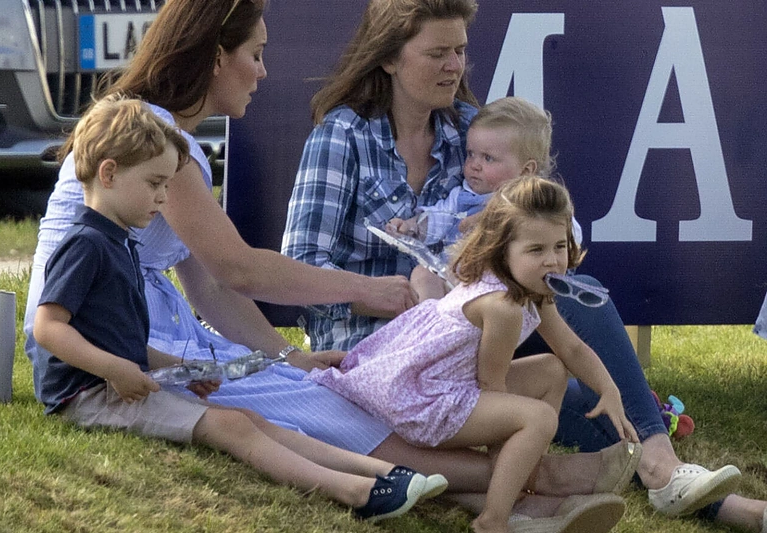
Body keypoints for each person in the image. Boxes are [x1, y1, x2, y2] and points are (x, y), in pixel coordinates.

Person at [23, 2, 645, 532]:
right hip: (111, 339)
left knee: (308, 388)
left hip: (149, 331)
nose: (264, 72)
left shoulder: (158, 137)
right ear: (216, 56)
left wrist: (282, 356)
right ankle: (540, 480)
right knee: (320, 409)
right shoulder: (153, 138)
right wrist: (372, 291)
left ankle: (521, 495)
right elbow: (242, 270)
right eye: (257, 54)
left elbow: (209, 282)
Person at [282, 0, 766, 529]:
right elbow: (300, 265)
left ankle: (664, 467)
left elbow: (539, 227)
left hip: (466, 329)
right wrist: (392, 291)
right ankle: (565, 489)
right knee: (568, 397)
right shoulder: (343, 135)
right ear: (390, 59)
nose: (454, 66)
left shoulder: (473, 128)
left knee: (577, 299)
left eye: (461, 51)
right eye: (438, 53)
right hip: (382, 351)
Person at [31, 93, 444, 522]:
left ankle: (389, 474)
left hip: (112, 381)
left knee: (245, 416)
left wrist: (182, 370)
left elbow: (120, 336)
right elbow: (48, 328)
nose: (162, 198)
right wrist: (113, 370)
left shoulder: (121, 246)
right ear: (109, 174)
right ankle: (361, 494)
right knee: (231, 426)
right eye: (155, 184)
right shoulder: (85, 244)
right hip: (87, 396)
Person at [310, 176, 637, 533]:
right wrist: (518, 430)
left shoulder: (528, 289)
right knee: (538, 418)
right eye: (536, 250)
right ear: (503, 249)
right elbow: (493, 387)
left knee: (552, 369)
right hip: (425, 402)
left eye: (560, 247)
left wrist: (610, 390)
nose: (552, 262)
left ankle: (523, 473)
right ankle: (494, 518)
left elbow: (570, 347)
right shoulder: (503, 308)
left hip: (449, 384)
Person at [385, 96, 572, 301]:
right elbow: (440, 217)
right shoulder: (463, 196)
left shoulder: (535, 203)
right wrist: (413, 227)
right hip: (457, 280)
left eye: (488, 158)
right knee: (423, 274)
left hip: (503, 284)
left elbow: (570, 233)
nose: (475, 164)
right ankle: (431, 324)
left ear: (526, 170)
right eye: (471, 154)